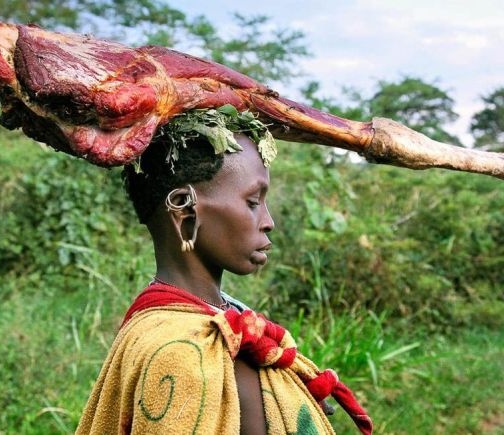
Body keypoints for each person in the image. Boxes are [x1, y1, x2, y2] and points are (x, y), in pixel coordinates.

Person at [75, 108, 371, 434]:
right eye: (253, 202)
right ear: (185, 211)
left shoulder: (203, 321)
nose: (268, 221)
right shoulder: (185, 355)